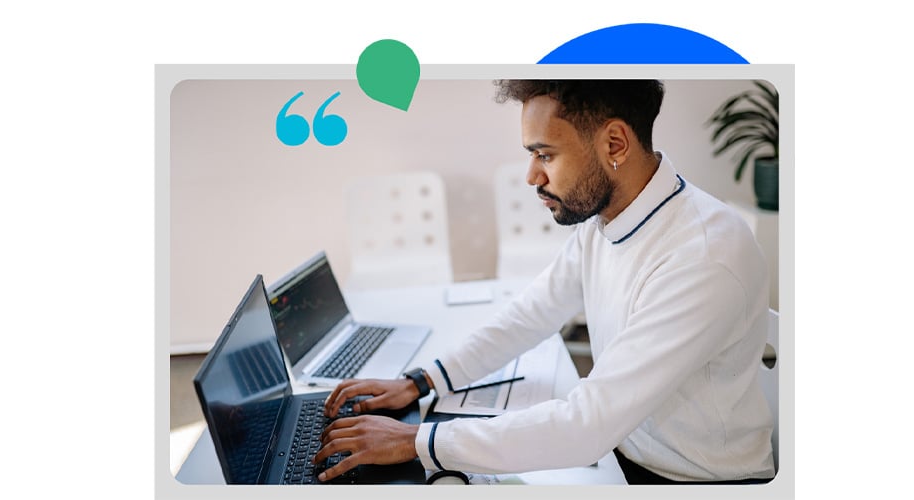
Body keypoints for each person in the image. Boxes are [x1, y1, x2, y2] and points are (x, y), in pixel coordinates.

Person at [312, 80, 776, 484]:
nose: (532, 175)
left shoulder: (703, 255)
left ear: (615, 144)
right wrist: (423, 380)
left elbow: (585, 426)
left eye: (545, 154)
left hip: (690, 479)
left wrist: (418, 439)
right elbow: (533, 312)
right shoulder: (607, 219)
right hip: (624, 451)